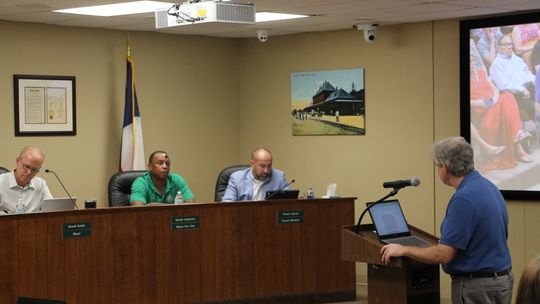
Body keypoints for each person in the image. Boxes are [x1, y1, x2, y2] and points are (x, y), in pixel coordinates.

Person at [380, 137, 513, 304]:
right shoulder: (489, 186)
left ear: (444, 166)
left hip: (477, 287)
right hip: (501, 281)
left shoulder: (464, 199)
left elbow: (444, 254)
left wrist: (404, 250)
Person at [221, 148, 289, 201]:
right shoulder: (237, 178)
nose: (266, 170)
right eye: (262, 166)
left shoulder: (279, 177)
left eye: (269, 166)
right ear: (252, 164)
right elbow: (227, 204)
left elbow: (289, 201)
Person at [130, 150, 195, 206]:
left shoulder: (177, 180)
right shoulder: (141, 183)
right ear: (150, 166)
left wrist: (158, 206)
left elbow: (191, 204)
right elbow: (137, 208)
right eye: (160, 163)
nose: (165, 166)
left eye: (167, 164)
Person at [0, 146, 53, 213]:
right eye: (26, 167)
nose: (29, 172)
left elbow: (51, 211)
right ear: (17, 161)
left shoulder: (40, 184)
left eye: (34, 170)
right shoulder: (1, 182)